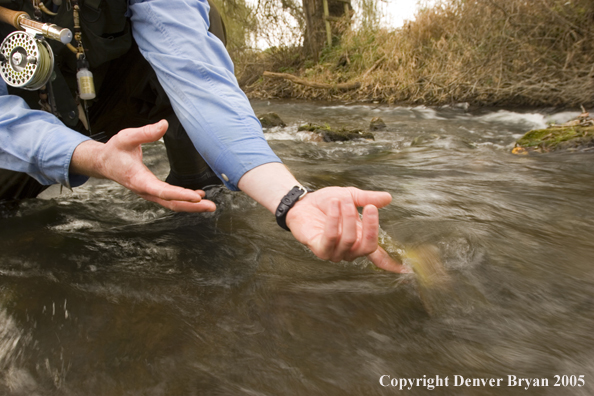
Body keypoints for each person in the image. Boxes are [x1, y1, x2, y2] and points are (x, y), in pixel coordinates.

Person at [0, 0, 404, 273]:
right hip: (19, 130)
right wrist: (91, 156)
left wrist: (289, 199)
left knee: (206, 22)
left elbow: (196, 72)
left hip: (114, 97)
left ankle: (200, 199)